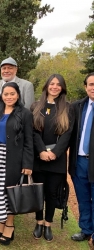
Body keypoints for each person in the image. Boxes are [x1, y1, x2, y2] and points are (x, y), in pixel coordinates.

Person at [0, 82, 33, 246]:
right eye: (6, 94)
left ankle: (10, 225)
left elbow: (28, 141)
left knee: (10, 192)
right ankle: (1, 222)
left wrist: (27, 164)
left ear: (18, 95)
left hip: (14, 159)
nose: (9, 97)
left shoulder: (25, 114)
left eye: (12, 94)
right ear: (1, 96)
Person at [31, 74, 73, 241]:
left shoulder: (68, 108)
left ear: (62, 88)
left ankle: (48, 224)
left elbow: (68, 134)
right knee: (38, 192)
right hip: (38, 158)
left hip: (57, 159)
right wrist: (41, 150)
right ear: (46, 85)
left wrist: (55, 152)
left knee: (51, 194)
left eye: (58, 84)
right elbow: (33, 132)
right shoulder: (35, 106)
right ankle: (39, 222)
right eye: (52, 84)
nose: (55, 87)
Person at [69, 72, 94, 245]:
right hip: (78, 162)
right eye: (91, 84)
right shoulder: (78, 106)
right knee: (83, 198)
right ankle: (86, 229)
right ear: (85, 87)